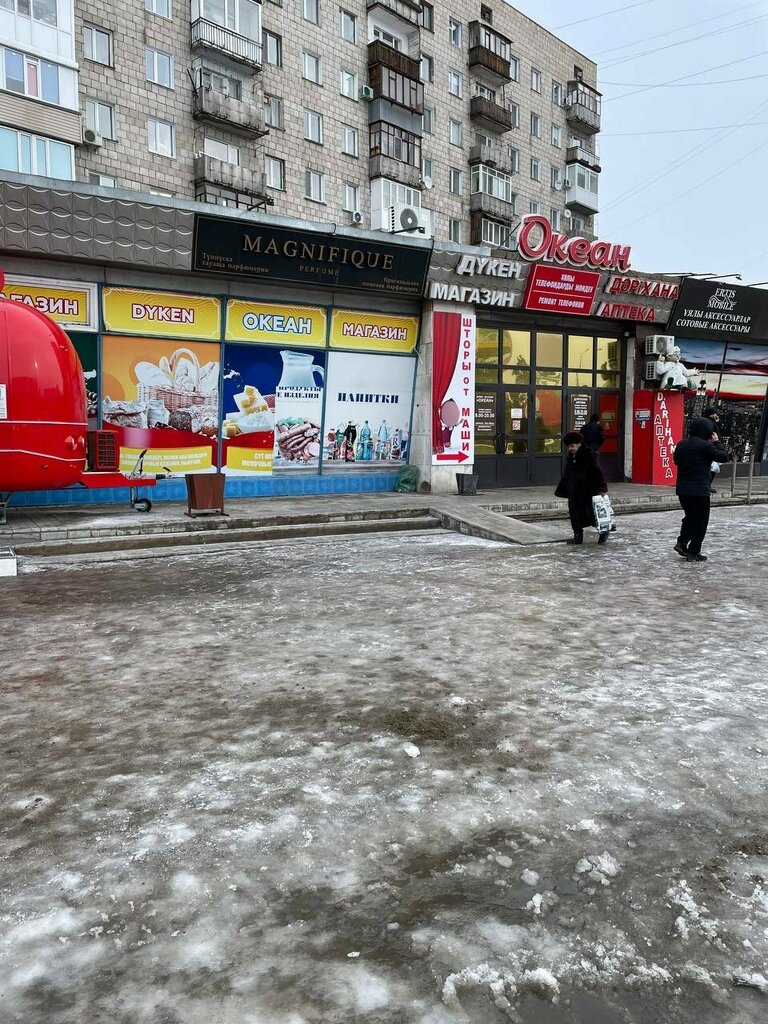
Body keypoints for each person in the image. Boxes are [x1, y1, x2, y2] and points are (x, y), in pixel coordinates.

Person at [673, 416, 730, 562]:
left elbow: (676, 461)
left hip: (683, 489)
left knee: (690, 516)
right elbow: (723, 457)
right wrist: (717, 442)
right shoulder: (706, 446)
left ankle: (682, 542)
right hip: (700, 489)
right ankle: (694, 551)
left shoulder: (681, 444)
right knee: (701, 521)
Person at [555, 431, 610, 545]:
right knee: (575, 515)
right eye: (569, 446)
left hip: (587, 491)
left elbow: (597, 472)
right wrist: (564, 488)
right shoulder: (571, 457)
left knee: (592, 514)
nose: (570, 449)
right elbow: (568, 473)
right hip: (574, 491)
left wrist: (601, 488)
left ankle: (604, 531)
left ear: (579, 444)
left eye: (572, 446)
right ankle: (578, 536)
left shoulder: (589, 455)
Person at [703, 405, 723, 494]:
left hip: (713, 445)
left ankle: (708, 485)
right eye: (714, 414)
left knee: (712, 468)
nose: (716, 415)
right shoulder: (709, 423)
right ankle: (707, 485)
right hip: (712, 446)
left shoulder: (712, 422)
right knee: (712, 468)